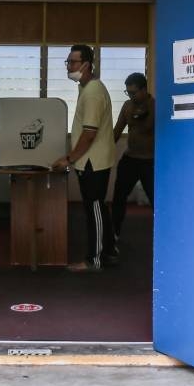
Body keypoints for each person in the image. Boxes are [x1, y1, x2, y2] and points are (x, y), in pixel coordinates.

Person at [51, 44, 117, 273]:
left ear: (87, 64)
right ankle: (108, 252)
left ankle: (94, 260)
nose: (69, 66)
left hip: (92, 162)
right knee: (99, 209)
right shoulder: (87, 88)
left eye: (73, 62)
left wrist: (68, 159)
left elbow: (89, 134)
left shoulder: (93, 92)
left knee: (94, 209)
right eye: (68, 62)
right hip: (92, 160)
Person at [110, 72, 155, 242]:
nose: (131, 96)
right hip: (130, 158)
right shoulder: (127, 106)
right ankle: (114, 232)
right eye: (128, 92)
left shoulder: (155, 107)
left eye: (134, 92)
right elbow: (117, 131)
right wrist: (104, 152)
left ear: (144, 89)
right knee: (119, 195)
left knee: (155, 199)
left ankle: (164, 234)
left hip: (150, 161)